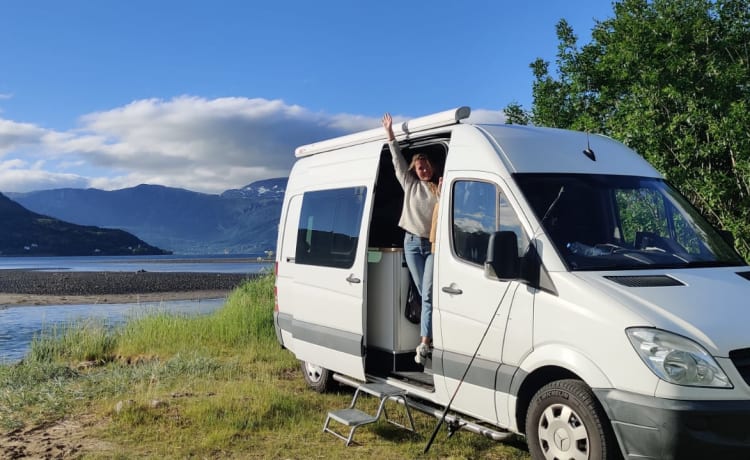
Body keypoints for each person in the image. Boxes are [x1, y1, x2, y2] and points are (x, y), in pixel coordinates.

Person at [382, 113, 440, 365]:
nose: (423, 169)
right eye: (419, 167)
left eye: (426, 165)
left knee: (427, 293)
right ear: (414, 170)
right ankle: (428, 335)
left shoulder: (441, 189)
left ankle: (425, 342)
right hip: (412, 244)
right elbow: (396, 161)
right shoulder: (410, 185)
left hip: (433, 245)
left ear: (432, 167)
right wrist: (390, 135)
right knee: (422, 291)